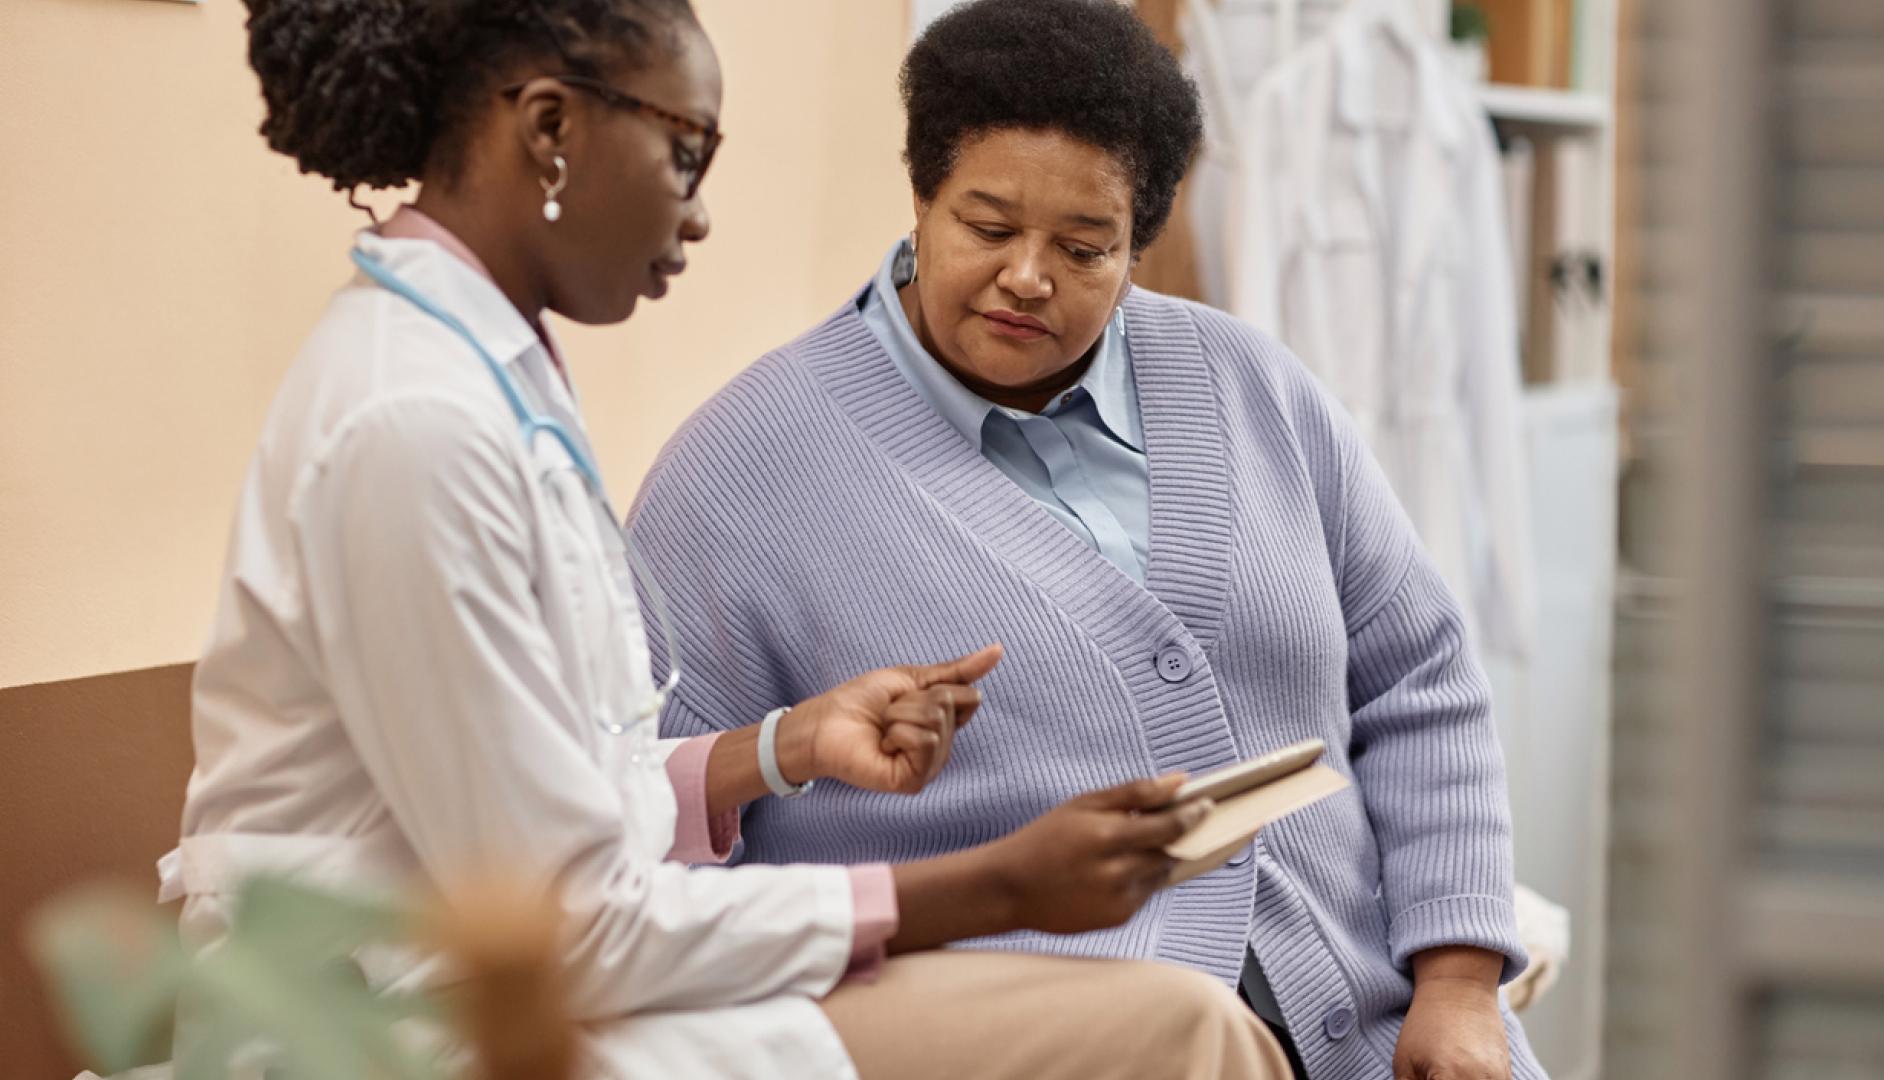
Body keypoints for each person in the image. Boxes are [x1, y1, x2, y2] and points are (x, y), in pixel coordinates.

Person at [165, 1, 1294, 1076]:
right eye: (686, 154)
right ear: (552, 129)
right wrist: (997, 889)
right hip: (402, 1029)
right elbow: (567, 923)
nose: (700, 214)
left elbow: (558, 805)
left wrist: (782, 748)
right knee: (1181, 1035)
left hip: (522, 980)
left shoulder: (477, 379)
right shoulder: (409, 427)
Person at [629, 2, 1544, 1079]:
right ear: (920, 198)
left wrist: (1458, 982)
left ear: (1137, 246)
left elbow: (1420, 683)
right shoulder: (739, 473)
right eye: (987, 226)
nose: (1028, 277)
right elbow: (641, 829)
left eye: (1082, 247)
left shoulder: (1255, 390)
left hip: (1379, 1031)